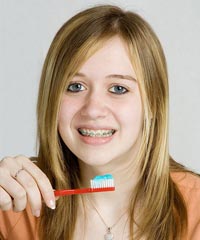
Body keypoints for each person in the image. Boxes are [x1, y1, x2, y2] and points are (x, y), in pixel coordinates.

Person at [0, 4, 200, 240]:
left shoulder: (195, 209)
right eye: (75, 86)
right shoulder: (14, 209)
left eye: (118, 88)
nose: (93, 109)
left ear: (154, 104)